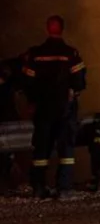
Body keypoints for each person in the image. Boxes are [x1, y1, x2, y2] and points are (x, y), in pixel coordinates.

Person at [21, 15, 86, 198]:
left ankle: (39, 188)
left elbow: (27, 81)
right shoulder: (71, 53)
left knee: (41, 149)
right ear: (62, 29)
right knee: (66, 149)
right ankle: (63, 188)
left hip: (42, 109)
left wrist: (32, 101)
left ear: (47, 29)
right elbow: (79, 82)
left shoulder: (35, 54)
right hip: (64, 108)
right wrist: (73, 91)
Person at [0, 57, 21, 191]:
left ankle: (5, 183)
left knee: (6, 157)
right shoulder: (9, 87)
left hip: (7, 125)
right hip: (8, 126)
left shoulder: (8, 87)